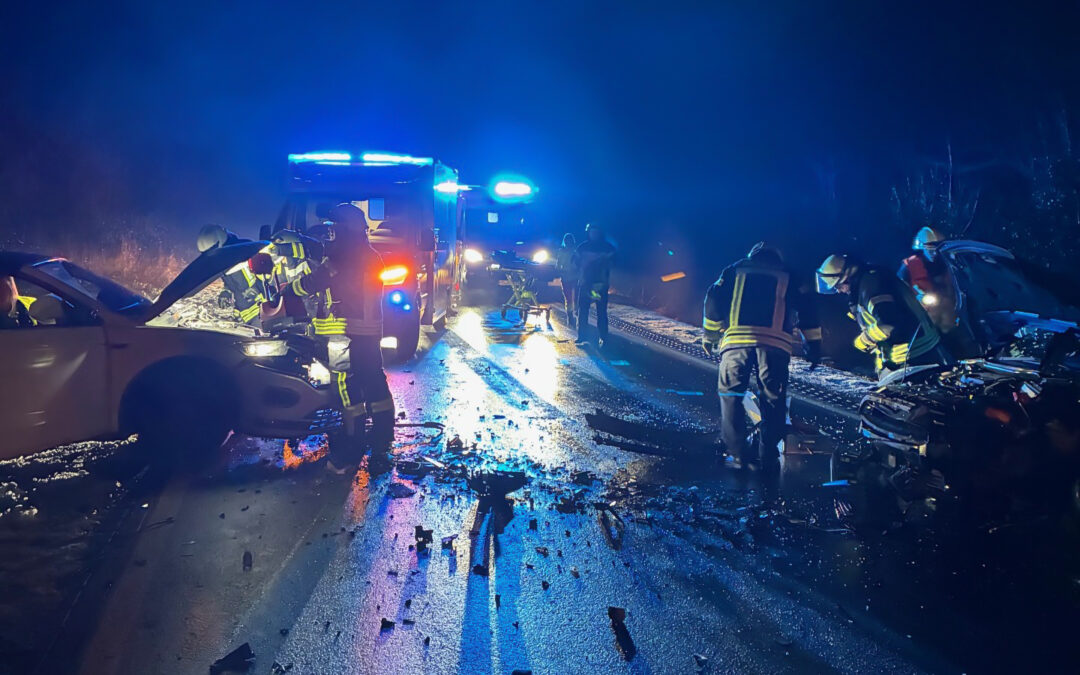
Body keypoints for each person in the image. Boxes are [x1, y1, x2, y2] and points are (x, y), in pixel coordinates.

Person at [280, 203, 395, 445]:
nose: (332, 234)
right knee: (374, 382)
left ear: (346, 230)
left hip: (345, 333)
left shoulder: (343, 256)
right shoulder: (371, 255)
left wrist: (290, 289)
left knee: (345, 384)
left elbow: (315, 281)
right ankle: (383, 436)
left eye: (335, 229)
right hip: (369, 332)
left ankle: (351, 437)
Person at [702, 243, 821, 472]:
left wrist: (710, 336)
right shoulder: (790, 275)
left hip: (736, 343)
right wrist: (813, 346)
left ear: (752, 255)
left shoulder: (734, 270)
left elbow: (713, 300)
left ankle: (737, 454)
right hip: (775, 346)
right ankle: (768, 456)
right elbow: (808, 310)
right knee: (773, 400)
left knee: (731, 395)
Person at [816, 253, 949, 378]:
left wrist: (865, 339)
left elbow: (889, 323)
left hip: (917, 357)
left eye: (838, 286)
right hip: (912, 356)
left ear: (848, 277)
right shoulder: (867, 281)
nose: (839, 291)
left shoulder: (870, 285)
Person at [196, 224, 267, 326]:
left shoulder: (248, 250)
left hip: (263, 313)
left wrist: (257, 288)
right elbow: (229, 282)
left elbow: (269, 275)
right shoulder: (223, 261)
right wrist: (226, 292)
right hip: (244, 318)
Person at [898, 226, 960, 334]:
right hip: (924, 314)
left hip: (951, 311)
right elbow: (899, 290)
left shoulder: (949, 263)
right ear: (922, 249)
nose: (934, 253)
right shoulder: (908, 268)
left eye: (937, 249)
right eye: (930, 250)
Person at [574, 224, 616, 347]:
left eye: (596, 232)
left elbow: (615, 261)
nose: (594, 235)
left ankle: (604, 337)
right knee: (583, 310)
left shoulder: (607, 247)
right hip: (586, 283)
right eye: (592, 232)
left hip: (600, 285)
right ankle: (582, 336)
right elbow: (575, 261)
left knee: (601, 311)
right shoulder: (583, 247)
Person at [554, 233, 578, 321]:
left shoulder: (575, 252)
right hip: (566, 276)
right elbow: (558, 263)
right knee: (568, 296)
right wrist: (558, 271)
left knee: (573, 296)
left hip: (574, 276)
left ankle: (573, 311)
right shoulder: (562, 252)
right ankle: (570, 313)